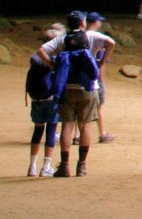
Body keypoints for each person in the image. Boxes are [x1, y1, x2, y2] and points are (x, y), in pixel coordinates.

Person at [39, 10, 113, 176]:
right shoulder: (91, 36)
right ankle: (82, 166)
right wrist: (100, 62)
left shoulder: (62, 39)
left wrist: (53, 65)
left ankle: (64, 165)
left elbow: (41, 51)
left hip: (67, 87)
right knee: (85, 125)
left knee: (67, 125)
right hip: (88, 88)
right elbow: (111, 43)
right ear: (82, 23)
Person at [25, 22, 65, 176]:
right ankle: (46, 167)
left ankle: (32, 166)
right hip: (51, 99)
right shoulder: (54, 58)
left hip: (36, 99)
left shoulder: (34, 58)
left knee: (37, 131)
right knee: (51, 131)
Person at [86, 12, 115, 143]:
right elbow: (101, 66)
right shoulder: (98, 41)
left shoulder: (78, 36)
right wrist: (102, 81)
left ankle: (76, 136)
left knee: (79, 107)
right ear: (95, 22)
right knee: (97, 107)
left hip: (78, 77)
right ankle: (102, 133)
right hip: (93, 78)